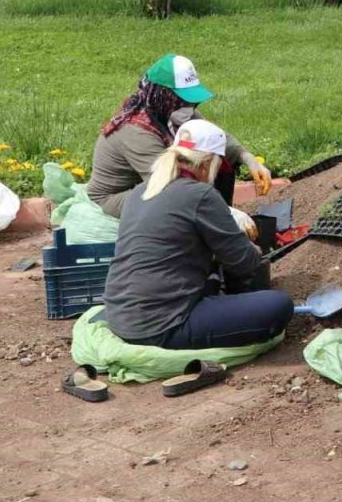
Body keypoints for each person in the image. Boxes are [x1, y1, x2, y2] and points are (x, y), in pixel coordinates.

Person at [103, 119, 294, 350]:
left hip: (120, 317)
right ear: (206, 163)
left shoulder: (140, 191)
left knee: (212, 284)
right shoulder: (200, 195)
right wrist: (252, 247)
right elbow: (244, 262)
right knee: (279, 304)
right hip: (162, 327)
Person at [88, 54, 272, 218]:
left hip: (149, 184)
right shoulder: (136, 131)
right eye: (183, 101)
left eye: (192, 101)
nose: (189, 107)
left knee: (211, 157)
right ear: (163, 96)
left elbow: (216, 139)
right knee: (174, 200)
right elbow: (167, 186)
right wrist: (224, 213)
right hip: (114, 198)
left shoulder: (173, 112)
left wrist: (249, 159)